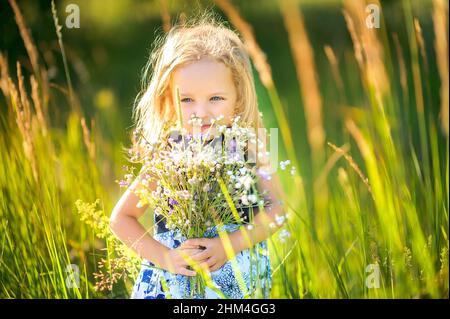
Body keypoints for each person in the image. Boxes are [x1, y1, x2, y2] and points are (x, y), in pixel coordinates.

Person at [109, 12, 286, 299]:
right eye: (187, 99)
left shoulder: (252, 145)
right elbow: (122, 218)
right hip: (172, 284)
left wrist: (231, 244)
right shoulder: (169, 151)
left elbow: (278, 209)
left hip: (235, 280)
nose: (200, 112)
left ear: (238, 97)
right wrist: (165, 258)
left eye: (215, 98)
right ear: (169, 99)